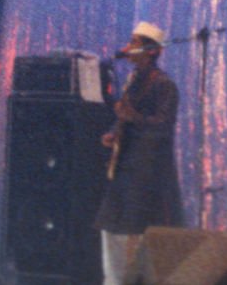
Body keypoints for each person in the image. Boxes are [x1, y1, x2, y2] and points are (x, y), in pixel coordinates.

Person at [95, 22, 183, 285]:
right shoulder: (134, 80)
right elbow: (127, 118)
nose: (129, 47)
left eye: (135, 42)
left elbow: (163, 127)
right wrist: (114, 132)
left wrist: (132, 117)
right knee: (110, 230)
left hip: (147, 173)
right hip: (125, 166)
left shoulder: (165, 85)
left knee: (138, 234)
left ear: (152, 50)